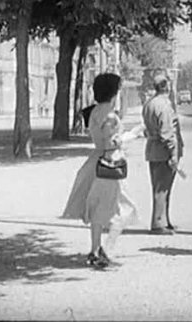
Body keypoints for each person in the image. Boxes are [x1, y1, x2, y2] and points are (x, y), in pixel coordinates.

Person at [62, 73, 141, 268]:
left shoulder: (94, 111)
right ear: (114, 92)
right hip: (110, 162)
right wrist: (135, 133)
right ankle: (108, 249)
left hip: (95, 161)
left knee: (97, 208)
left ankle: (94, 249)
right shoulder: (110, 116)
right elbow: (114, 141)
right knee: (123, 207)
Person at [142, 74, 180, 235]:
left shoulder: (149, 103)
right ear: (167, 86)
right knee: (162, 188)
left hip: (152, 148)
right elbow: (166, 132)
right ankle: (158, 223)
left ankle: (165, 219)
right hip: (163, 151)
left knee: (160, 186)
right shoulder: (164, 105)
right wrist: (173, 152)